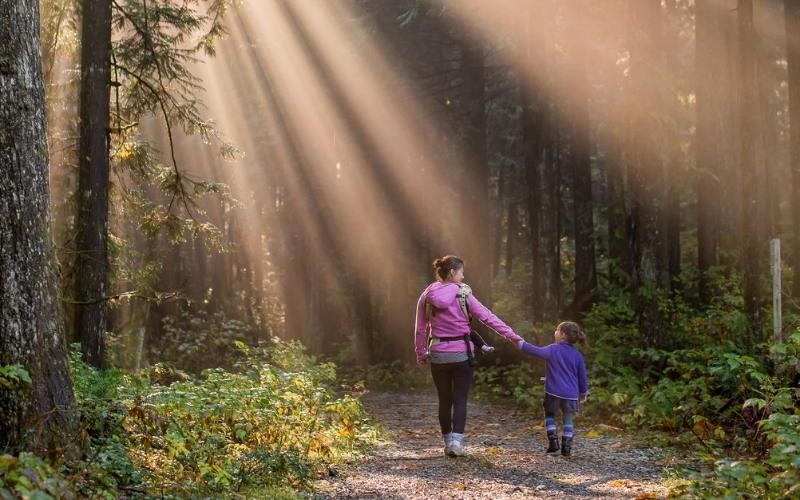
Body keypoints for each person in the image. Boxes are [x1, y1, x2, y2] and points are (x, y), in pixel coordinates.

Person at [414, 255, 522, 457]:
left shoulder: (427, 295)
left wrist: (421, 353)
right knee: (460, 399)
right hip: (462, 354)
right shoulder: (463, 294)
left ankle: (447, 443)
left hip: (438, 353)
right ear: (453, 272)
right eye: (461, 272)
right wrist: (512, 336)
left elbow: (420, 329)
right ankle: (457, 443)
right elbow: (487, 317)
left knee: (444, 400)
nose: (463, 276)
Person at [517, 321, 588, 457]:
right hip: (571, 394)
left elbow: (535, 351)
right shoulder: (577, 355)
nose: (554, 332)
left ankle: (553, 441)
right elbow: (582, 377)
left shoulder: (552, 349)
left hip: (553, 392)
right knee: (568, 419)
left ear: (562, 334)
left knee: (549, 414)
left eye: (556, 330)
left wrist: (521, 343)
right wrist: (583, 392)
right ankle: (566, 447)